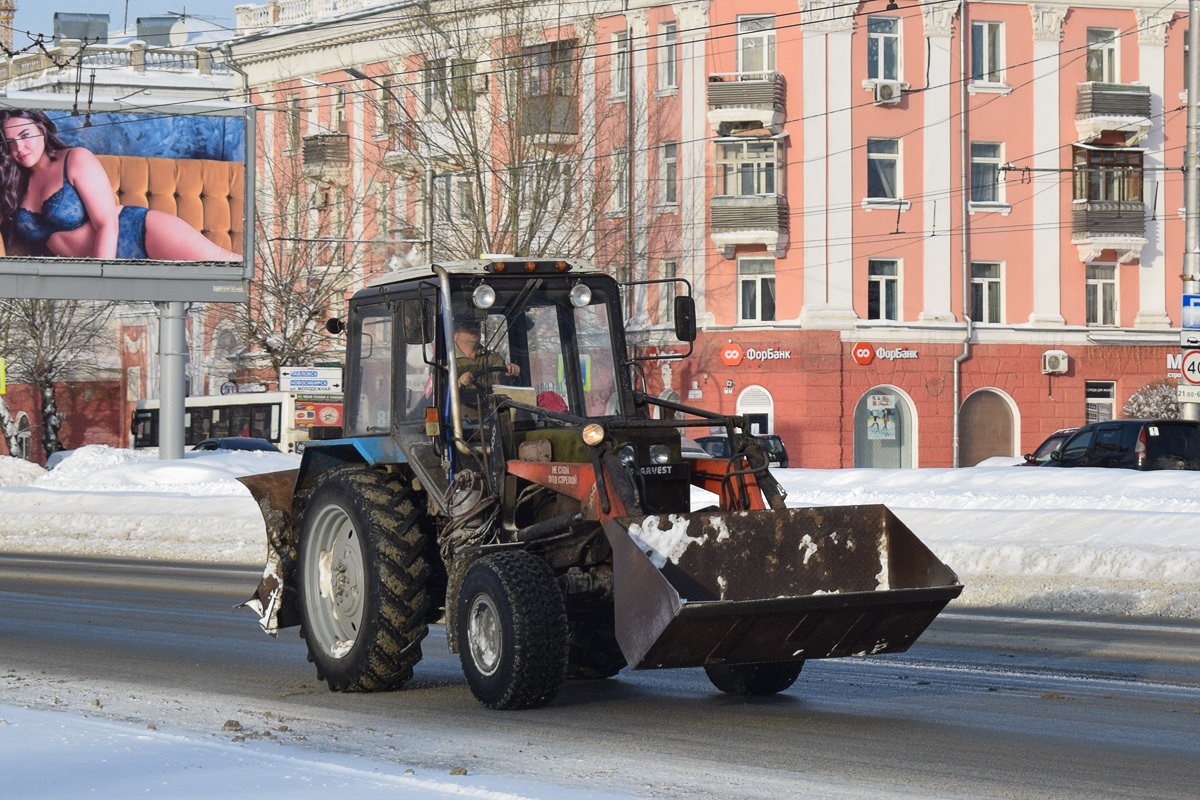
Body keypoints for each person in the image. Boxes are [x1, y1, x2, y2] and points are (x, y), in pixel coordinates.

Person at [0, 109, 241, 261]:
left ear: (41, 129)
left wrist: (101, 278)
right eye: (10, 142)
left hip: (139, 233)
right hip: (91, 267)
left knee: (229, 264)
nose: (19, 148)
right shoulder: (14, 184)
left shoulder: (75, 158)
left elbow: (107, 223)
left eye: (25, 135)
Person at [453, 320, 519, 418]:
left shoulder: (492, 357)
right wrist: (458, 383)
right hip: (459, 421)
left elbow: (499, 381)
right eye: (467, 325)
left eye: (477, 325)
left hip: (494, 416)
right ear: (455, 334)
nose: (474, 329)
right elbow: (440, 394)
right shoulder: (446, 360)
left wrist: (509, 371)